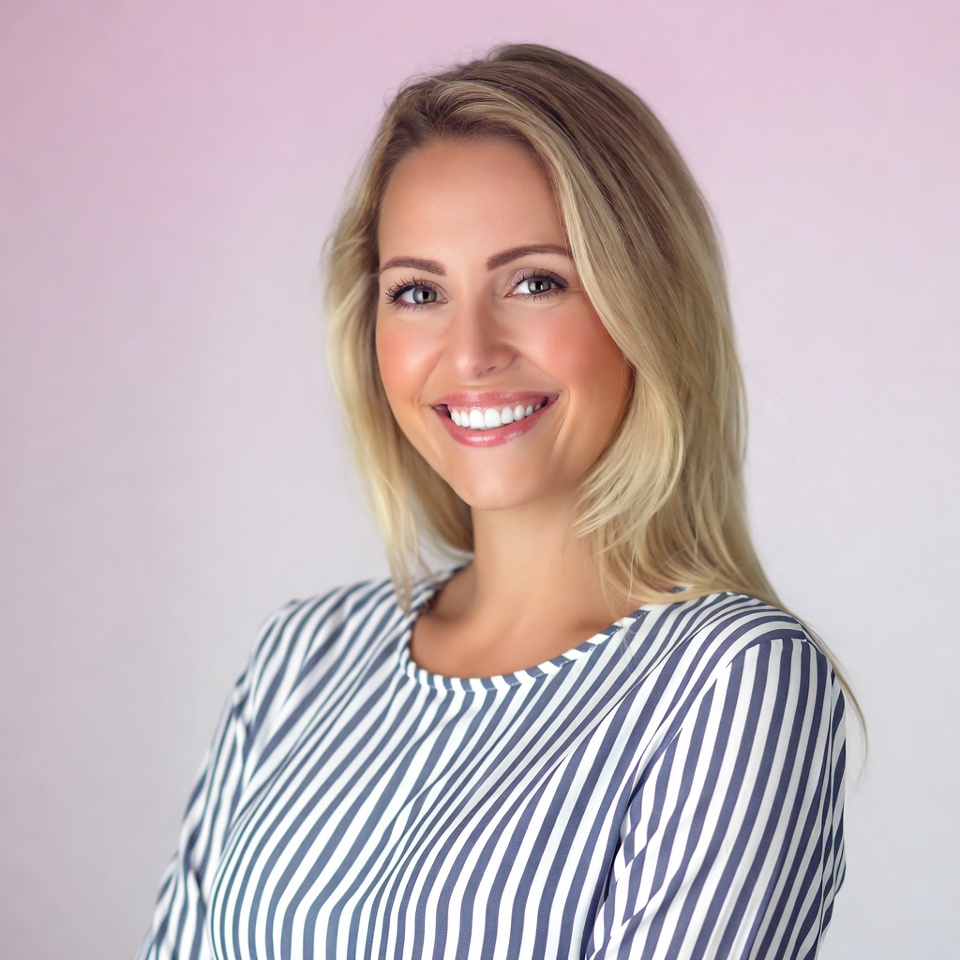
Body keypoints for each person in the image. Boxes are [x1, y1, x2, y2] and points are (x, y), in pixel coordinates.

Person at [137, 44, 849, 959]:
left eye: (535, 282)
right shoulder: (301, 657)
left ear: (647, 304)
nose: (469, 351)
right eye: (420, 291)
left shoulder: (730, 683)